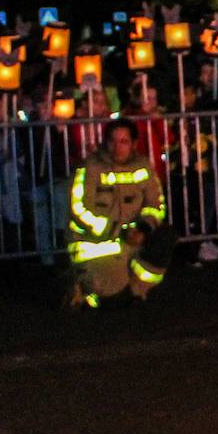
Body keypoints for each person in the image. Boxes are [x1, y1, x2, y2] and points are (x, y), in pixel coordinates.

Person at [66, 117, 175, 309]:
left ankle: (138, 289)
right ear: (105, 142)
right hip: (97, 244)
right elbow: (79, 210)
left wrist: (143, 229)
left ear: (133, 143)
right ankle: (86, 289)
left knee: (165, 236)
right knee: (113, 302)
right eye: (112, 141)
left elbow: (156, 205)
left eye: (124, 142)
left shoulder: (143, 167)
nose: (117, 147)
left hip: (133, 240)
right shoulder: (89, 168)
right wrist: (118, 231)